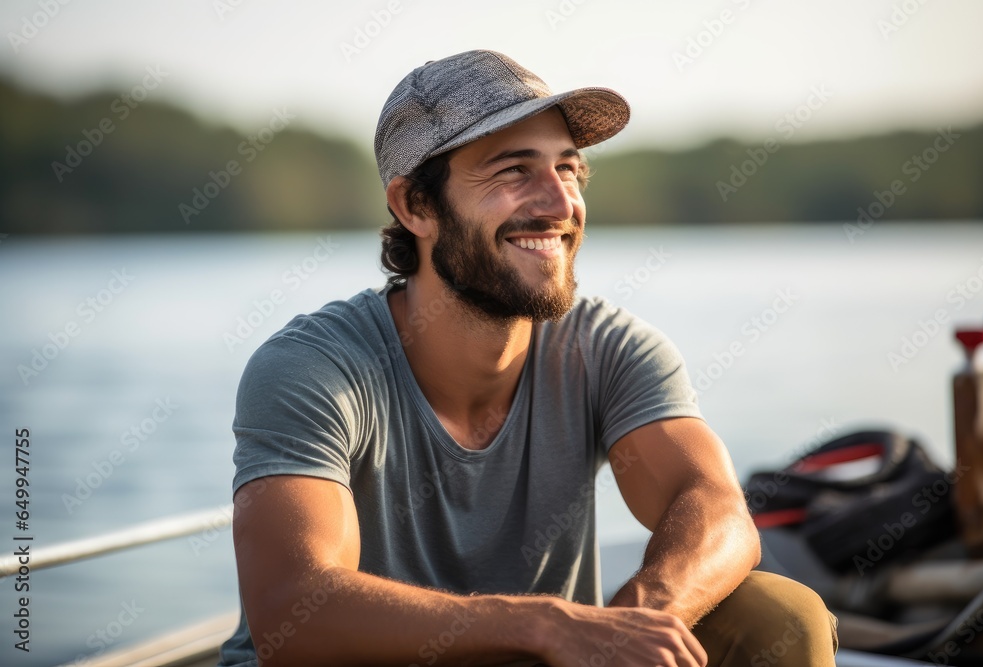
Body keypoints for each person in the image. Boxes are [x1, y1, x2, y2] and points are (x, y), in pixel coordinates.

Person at [218, 50, 838, 667]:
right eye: (514, 171)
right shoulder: (314, 369)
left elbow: (715, 507)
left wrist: (642, 614)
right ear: (415, 208)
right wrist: (542, 624)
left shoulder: (610, 348)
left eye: (568, 169)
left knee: (779, 616)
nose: (559, 203)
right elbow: (293, 609)